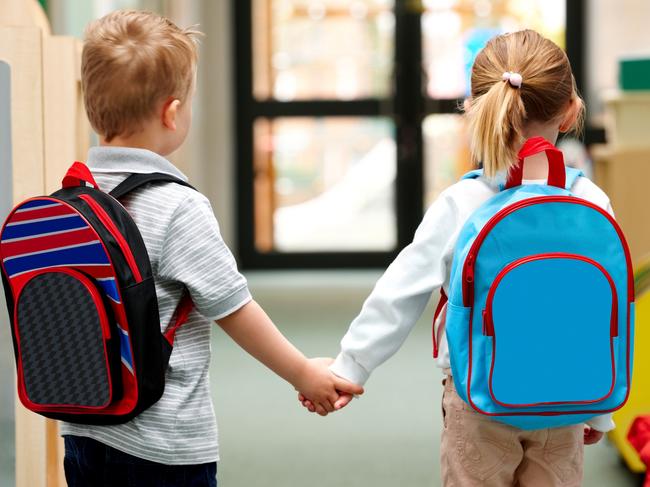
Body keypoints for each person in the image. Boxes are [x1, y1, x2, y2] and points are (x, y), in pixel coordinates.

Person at [61, 10, 363, 487]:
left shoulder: (75, 197)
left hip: (81, 430)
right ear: (172, 112)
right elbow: (232, 307)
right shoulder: (177, 206)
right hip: (164, 444)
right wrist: (302, 372)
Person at [300, 29, 614, 486]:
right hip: (562, 400)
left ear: (474, 108)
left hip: (478, 396)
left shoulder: (461, 203)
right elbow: (600, 313)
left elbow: (400, 292)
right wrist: (599, 410)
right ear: (570, 111)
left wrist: (349, 365)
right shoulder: (592, 202)